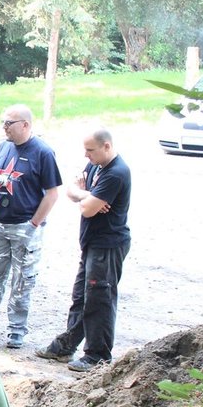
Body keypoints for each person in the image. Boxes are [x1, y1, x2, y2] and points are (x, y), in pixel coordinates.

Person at [0, 105, 62, 349]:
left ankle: (16, 331)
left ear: (25, 125)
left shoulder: (43, 153)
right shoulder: (3, 147)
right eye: (3, 123)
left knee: (22, 281)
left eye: (9, 123)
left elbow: (52, 194)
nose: (4, 127)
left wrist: (33, 224)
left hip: (24, 226)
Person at [36, 128, 131, 372]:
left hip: (108, 245)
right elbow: (72, 191)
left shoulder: (117, 173)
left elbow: (87, 210)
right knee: (80, 296)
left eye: (90, 150)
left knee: (99, 298)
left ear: (107, 146)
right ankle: (67, 345)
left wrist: (86, 199)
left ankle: (98, 354)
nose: (86, 155)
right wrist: (87, 195)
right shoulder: (96, 166)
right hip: (91, 243)